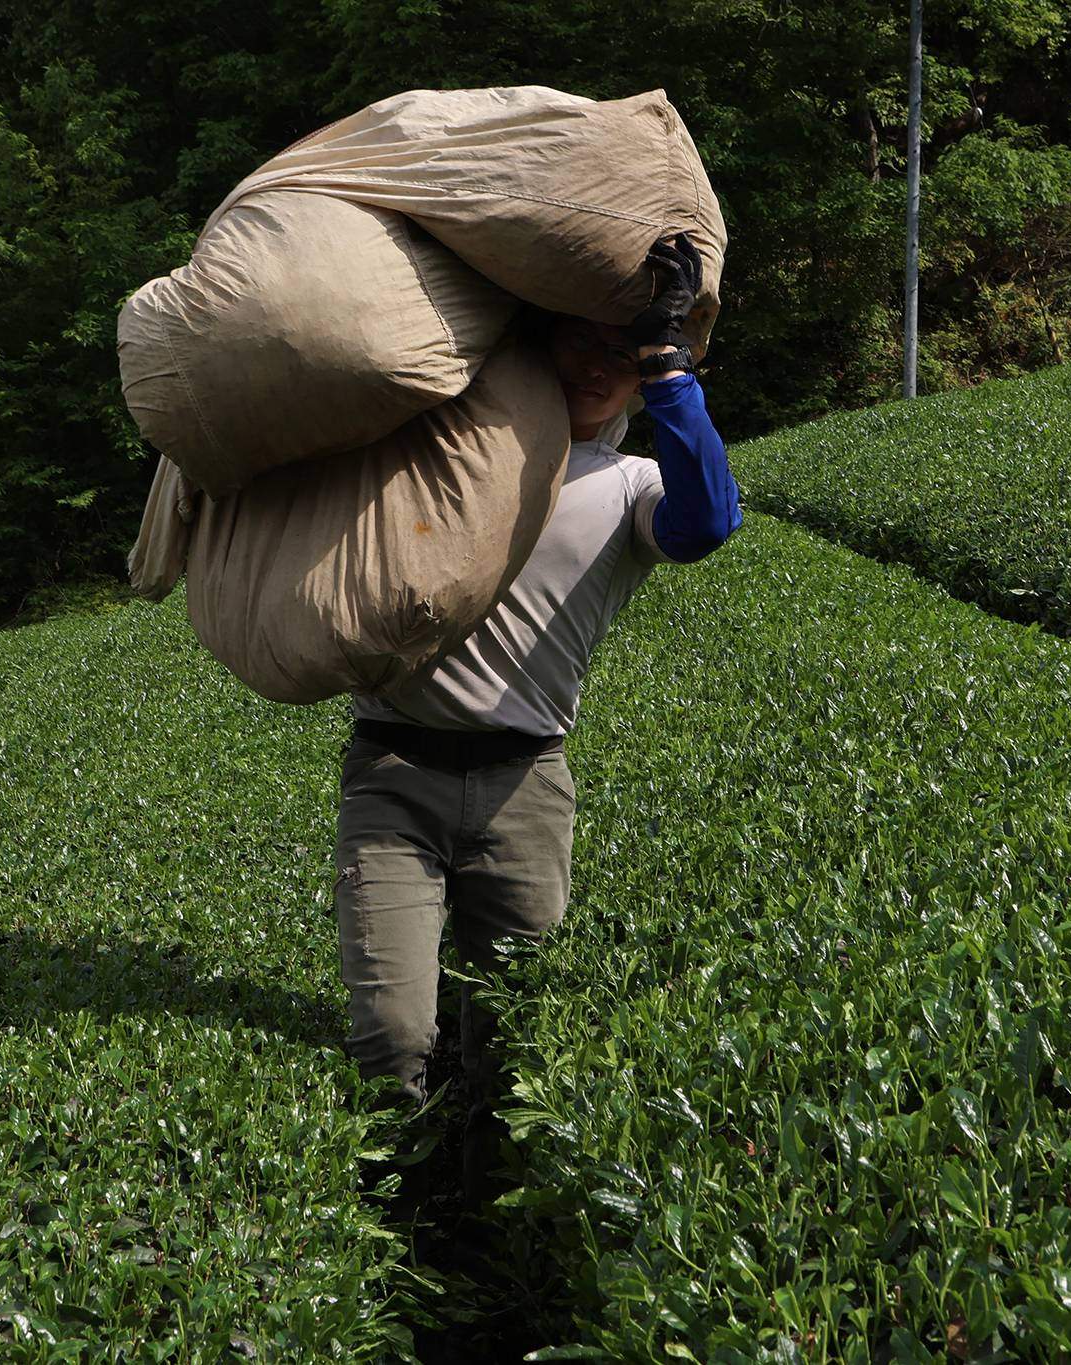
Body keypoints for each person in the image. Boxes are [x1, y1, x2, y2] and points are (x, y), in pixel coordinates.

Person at [335, 234, 742, 1209]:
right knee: (393, 1035)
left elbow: (708, 522)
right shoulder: (447, 457)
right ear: (539, 343)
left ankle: (483, 1242)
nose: (598, 367)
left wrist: (669, 370)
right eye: (582, 342)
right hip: (393, 779)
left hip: (525, 791)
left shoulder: (634, 489)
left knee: (513, 1045)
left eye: (624, 353)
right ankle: (388, 1241)